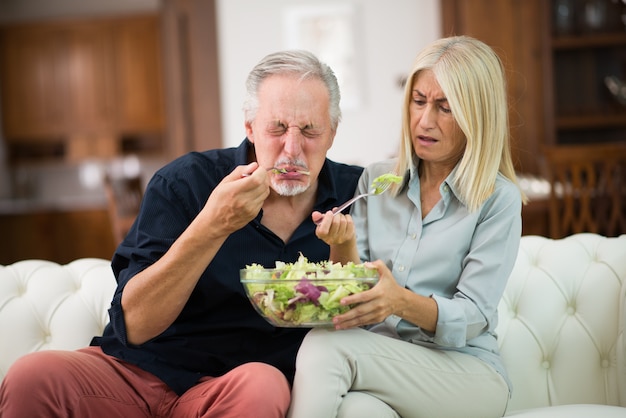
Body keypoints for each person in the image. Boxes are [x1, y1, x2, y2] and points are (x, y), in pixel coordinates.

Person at [0, 50, 363, 418]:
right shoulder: (185, 182)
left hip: (237, 387)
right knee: (31, 376)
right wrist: (213, 224)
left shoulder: (360, 195)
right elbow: (136, 326)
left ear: (332, 132)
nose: (292, 149)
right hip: (139, 373)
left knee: (262, 384)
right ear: (250, 127)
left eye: (310, 130)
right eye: (277, 128)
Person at [288, 35, 527, 418]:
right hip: (386, 362)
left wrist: (400, 301)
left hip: (466, 375)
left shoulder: (497, 199)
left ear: (475, 116)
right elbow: (354, 287)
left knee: (323, 346)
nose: (424, 121)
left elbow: (474, 316)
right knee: (358, 412)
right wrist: (343, 243)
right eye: (418, 102)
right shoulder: (377, 180)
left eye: (444, 108)